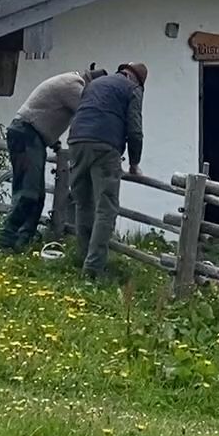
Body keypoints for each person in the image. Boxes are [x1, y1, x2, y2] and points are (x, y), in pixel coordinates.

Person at [0, 67, 104, 253]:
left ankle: (22, 241)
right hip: (27, 134)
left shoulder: (69, 81)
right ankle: (5, 241)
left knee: (37, 196)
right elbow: (87, 113)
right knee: (28, 193)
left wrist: (55, 144)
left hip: (30, 134)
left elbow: (48, 112)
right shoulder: (74, 85)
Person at [65, 61, 147, 279]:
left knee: (83, 203)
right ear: (138, 80)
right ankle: (93, 269)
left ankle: (83, 258)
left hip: (77, 141)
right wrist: (134, 163)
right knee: (106, 208)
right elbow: (135, 129)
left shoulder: (96, 83)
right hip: (105, 146)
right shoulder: (133, 89)